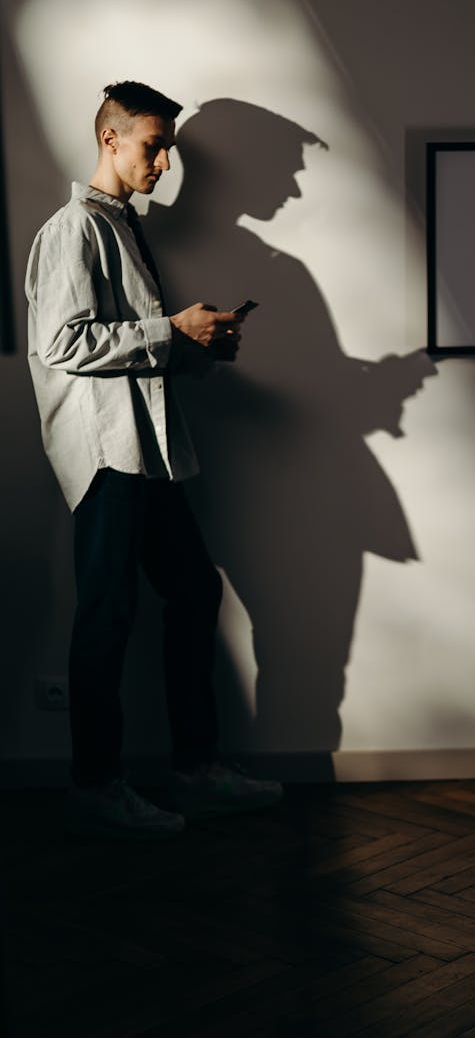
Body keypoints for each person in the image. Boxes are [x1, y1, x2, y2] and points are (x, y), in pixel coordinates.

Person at [24, 81, 283, 839]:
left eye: (169, 148)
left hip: (148, 452)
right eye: (154, 145)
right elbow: (63, 343)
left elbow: (137, 348)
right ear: (110, 139)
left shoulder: (125, 227)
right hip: (108, 456)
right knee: (107, 615)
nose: (165, 162)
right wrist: (172, 329)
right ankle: (97, 784)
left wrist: (200, 347)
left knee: (193, 592)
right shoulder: (74, 228)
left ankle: (195, 768)